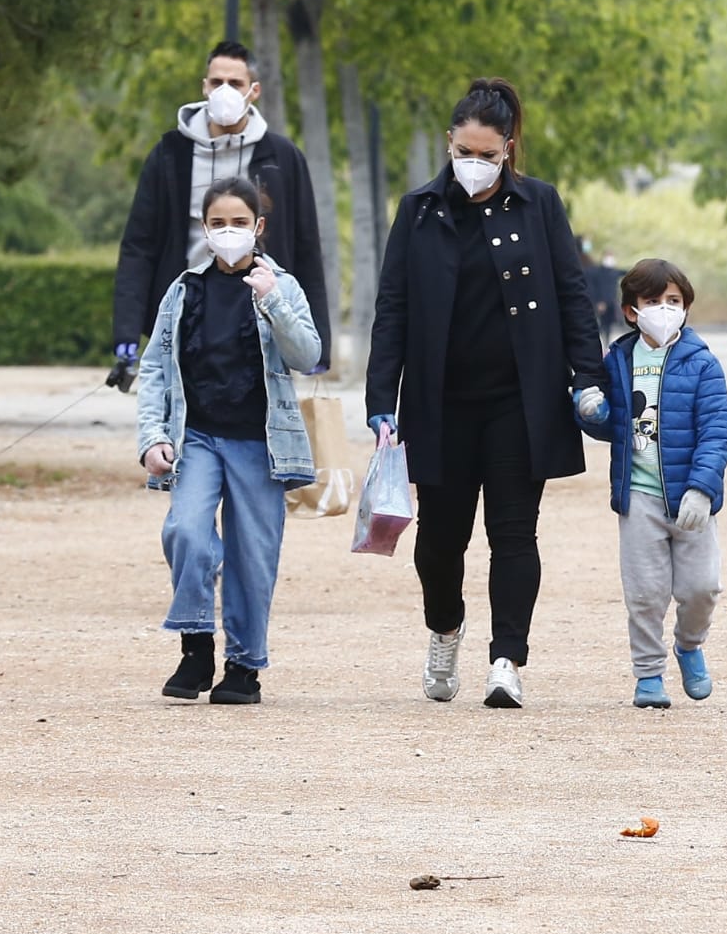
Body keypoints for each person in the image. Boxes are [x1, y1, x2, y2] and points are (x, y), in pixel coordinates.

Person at [365, 77, 608, 709]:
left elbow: (573, 296)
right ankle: (445, 630)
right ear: (449, 142)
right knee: (440, 543)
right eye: (463, 151)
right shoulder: (418, 209)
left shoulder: (540, 204)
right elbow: (392, 307)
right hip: (440, 401)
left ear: (508, 148)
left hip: (518, 401)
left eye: (487, 154)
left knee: (513, 532)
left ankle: (507, 659)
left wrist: (588, 379)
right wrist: (378, 400)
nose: (474, 165)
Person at [135, 176, 321, 705]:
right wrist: (151, 437)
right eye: (218, 223)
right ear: (204, 228)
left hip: (261, 443)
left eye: (239, 223)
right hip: (195, 438)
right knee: (188, 532)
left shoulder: (279, 284)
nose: (229, 232)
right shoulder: (183, 290)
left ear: (258, 227)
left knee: (253, 556)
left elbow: (308, 355)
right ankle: (196, 644)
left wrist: (273, 303)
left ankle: (244, 666)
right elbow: (154, 370)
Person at [112, 40, 331, 389]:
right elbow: (139, 246)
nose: (224, 91)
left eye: (236, 83)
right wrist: (126, 329)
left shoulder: (282, 157)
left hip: (258, 319)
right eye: (216, 83)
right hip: (185, 311)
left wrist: (318, 341)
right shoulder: (170, 154)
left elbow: (306, 247)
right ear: (204, 87)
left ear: (254, 90)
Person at [579, 258, 727, 709]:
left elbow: (717, 431)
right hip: (639, 497)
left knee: (701, 587)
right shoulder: (619, 361)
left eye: (673, 301)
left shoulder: (702, 364)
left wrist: (703, 489)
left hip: (689, 496)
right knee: (644, 593)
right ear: (631, 310)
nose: (664, 309)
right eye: (652, 301)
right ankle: (648, 675)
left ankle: (689, 645)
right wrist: (591, 413)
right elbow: (615, 425)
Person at [587, 250, 623, 344]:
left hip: (612, 302)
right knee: (602, 325)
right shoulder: (598, 272)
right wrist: (599, 301)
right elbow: (595, 287)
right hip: (602, 302)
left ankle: (606, 342)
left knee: (609, 325)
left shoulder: (614, 271)